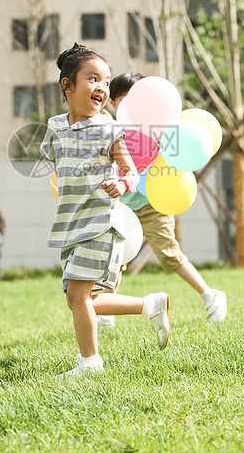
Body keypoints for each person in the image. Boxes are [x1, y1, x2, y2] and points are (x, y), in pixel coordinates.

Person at [40, 44, 170, 378]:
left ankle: (90, 363)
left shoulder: (110, 129)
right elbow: (56, 165)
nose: (102, 87)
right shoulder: (55, 126)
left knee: (78, 294)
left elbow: (130, 171)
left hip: (101, 222)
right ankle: (148, 305)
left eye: (106, 82)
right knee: (77, 298)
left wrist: (122, 185)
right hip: (72, 223)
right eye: (93, 78)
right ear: (68, 86)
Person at [96, 72, 227, 327]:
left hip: (153, 201)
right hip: (123, 203)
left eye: (137, 98)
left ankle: (210, 295)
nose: (132, 105)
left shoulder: (158, 130)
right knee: (116, 256)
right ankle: (107, 310)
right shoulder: (112, 129)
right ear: (113, 104)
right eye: (124, 99)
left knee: (168, 253)